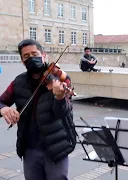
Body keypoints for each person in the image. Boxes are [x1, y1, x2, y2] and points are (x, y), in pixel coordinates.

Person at [0, 39, 77, 180]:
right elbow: (1, 101)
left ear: (44, 55)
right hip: (30, 149)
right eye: (26, 56)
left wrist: (59, 97)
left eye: (34, 54)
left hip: (56, 148)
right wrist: (3, 109)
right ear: (22, 61)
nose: (31, 58)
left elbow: (63, 112)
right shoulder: (18, 82)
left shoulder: (59, 79)